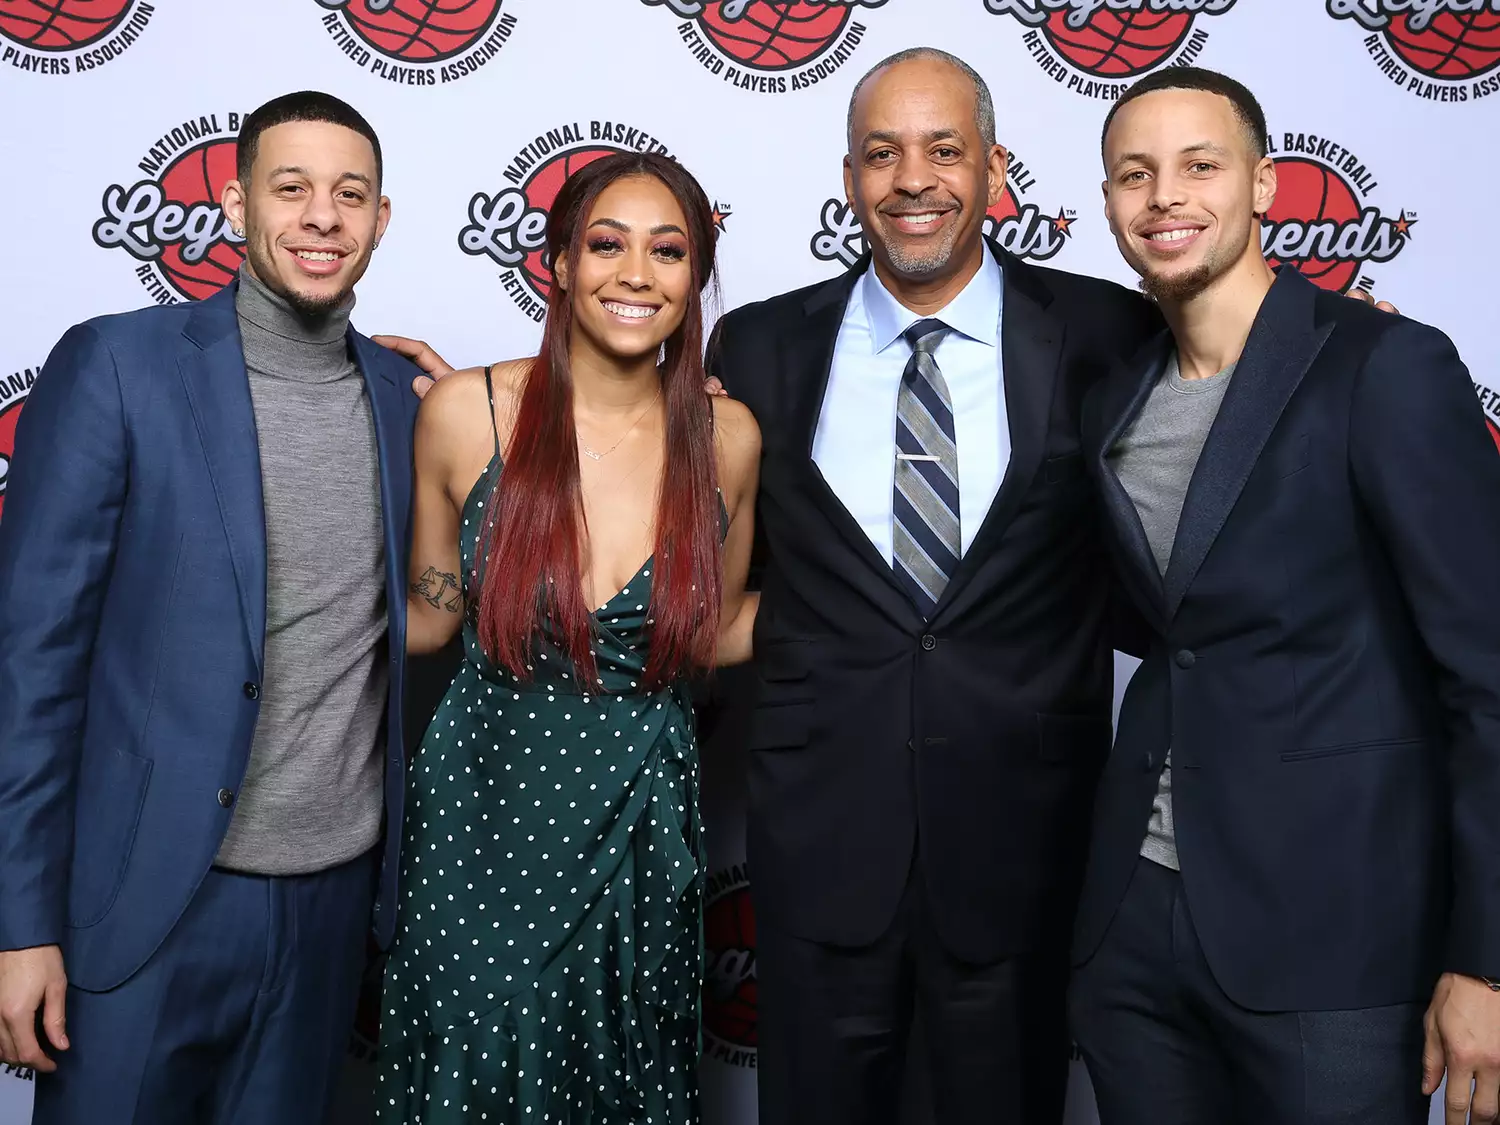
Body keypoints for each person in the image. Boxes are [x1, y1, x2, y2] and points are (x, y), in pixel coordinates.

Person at [1067, 65, 1500, 1125]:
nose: (1165, 196)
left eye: (1199, 166)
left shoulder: (1383, 366)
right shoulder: (1116, 400)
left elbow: (1489, 679)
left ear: (1264, 186)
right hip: (1136, 929)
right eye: (1136, 174)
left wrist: (1486, 960)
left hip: (1335, 937)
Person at [0, 91, 423, 1124]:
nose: (322, 216)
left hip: (331, 907)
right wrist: (19, 925)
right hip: (145, 903)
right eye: (292, 188)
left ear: (381, 220)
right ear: (234, 205)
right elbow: (31, 665)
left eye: (349, 194)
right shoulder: (116, 366)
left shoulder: (409, 406)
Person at [377, 151, 760, 1123]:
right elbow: (428, 616)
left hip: (640, 843)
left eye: (668, 251)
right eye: (606, 244)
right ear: (555, 264)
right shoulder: (471, 414)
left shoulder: (730, 441)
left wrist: (883, 604)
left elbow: (707, 632)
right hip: (483, 835)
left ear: (694, 278)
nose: (637, 273)